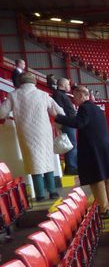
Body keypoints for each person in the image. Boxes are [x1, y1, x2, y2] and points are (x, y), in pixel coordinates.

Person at [55, 86, 109, 217]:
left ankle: (104, 209)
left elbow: (79, 123)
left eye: (74, 96)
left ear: (80, 95)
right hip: (104, 147)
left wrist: (58, 117)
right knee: (107, 178)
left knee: (97, 178)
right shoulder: (96, 108)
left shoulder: (84, 108)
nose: (74, 100)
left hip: (93, 149)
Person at [0, 72, 64, 201]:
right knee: (47, 159)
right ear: (34, 82)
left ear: (21, 82)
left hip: (26, 132)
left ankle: (40, 194)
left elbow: (2, 113)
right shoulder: (43, 94)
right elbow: (59, 111)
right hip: (44, 131)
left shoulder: (14, 95)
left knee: (34, 161)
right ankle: (52, 191)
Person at [52, 78, 79, 175]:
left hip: (70, 122)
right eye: (68, 84)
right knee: (71, 145)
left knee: (72, 144)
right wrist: (59, 124)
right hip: (67, 123)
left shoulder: (61, 94)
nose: (69, 86)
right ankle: (71, 167)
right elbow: (58, 110)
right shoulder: (58, 94)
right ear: (63, 85)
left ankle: (72, 166)